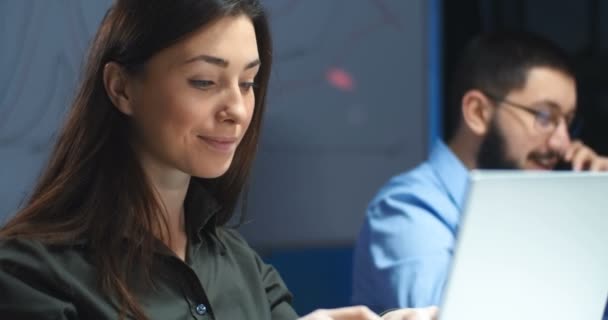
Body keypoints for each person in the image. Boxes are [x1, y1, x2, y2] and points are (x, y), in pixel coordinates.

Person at [0, 1, 436, 319]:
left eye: (247, 82)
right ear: (121, 88)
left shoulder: (243, 268)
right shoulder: (29, 273)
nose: (238, 109)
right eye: (205, 81)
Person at [352, 31, 608, 312]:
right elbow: (457, 314)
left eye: (567, 123)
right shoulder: (405, 208)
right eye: (544, 117)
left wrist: (592, 214)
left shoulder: (539, 207)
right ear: (478, 112)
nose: (563, 142)